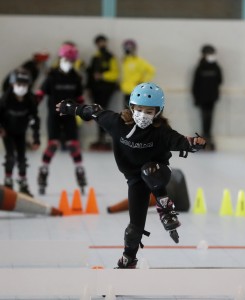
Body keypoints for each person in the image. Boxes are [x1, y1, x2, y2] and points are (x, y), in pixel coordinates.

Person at [56, 82, 206, 269]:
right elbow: (93, 112)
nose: (143, 115)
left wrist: (194, 143)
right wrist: (71, 108)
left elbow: (180, 141)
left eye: (149, 111)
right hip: (135, 180)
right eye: (139, 109)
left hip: (158, 172)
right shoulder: (117, 123)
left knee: (149, 170)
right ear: (131, 107)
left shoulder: (160, 131)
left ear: (158, 112)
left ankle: (165, 208)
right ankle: (128, 259)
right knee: (134, 229)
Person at [36, 43, 87, 195]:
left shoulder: (76, 78)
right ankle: (43, 171)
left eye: (71, 61)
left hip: (70, 116)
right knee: (53, 145)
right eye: (66, 59)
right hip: (54, 116)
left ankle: (80, 171)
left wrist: (85, 113)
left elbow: (79, 97)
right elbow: (40, 93)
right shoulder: (52, 76)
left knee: (73, 145)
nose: (69, 63)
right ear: (60, 59)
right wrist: (31, 107)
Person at [0, 69, 40, 196]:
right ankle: (8, 183)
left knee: (22, 159)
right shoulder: (6, 98)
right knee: (10, 157)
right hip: (8, 132)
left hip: (21, 132)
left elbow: (34, 119)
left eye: (24, 85)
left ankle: (23, 184)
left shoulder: (30, 99)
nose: (21, 87)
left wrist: (36, 138)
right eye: (19, 84)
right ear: (12, 84)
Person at [86, 34, 119, 150]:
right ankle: (100, 137)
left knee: (103, 111)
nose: (102, 44)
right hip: (96, 90)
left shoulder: (110, 57)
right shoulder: (94, 58)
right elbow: (90, 75)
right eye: (99, 42)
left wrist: (102, 76)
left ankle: (104, 136)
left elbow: (115, 74)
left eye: (103, 42)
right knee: (96, 112)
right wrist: (89, 88)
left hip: (106, 89)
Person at [192, 44, 223, 151]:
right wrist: (196, 98)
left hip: (212, 98)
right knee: (205, 117)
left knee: (209, 117)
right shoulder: (200, 68)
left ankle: (208, 135)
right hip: (202, 98)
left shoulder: (216, 67)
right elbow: (195, 84)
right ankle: (205, 136)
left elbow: (220, 80)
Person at [120, 39, 155, 108]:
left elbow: (152, 70)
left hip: (136, 90)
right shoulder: (124, 61)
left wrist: (143, 81)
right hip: (126, 90)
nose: (128, 50)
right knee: (126, 112)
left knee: (135, 111)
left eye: (131, 48)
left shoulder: (139, 61)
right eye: (127, 48)